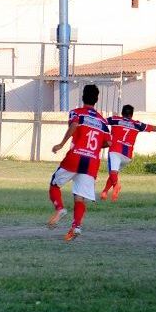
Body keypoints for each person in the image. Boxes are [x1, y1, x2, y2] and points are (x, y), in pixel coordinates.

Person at [48, 84, 111, 242]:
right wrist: (96, 146)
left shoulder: (76, 113)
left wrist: (61, 144)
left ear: (82, 97)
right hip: (91, 162)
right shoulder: (102, 121)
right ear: (96, 99)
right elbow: (109, 143)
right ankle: (76, 226)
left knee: (54, 184)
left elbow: (74, 125)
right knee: (80, 197)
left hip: (75, 157)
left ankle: (60, 209)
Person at [101, 104, 156, 201]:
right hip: (127, 155)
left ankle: (116, 186)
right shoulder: (137, 124)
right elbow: (153, 128)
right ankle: (104, 192)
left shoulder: (115, 119)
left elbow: (101, 122)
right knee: (114, 173)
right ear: (132, 115)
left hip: (115, 151)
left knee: (113, 173)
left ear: (122, 113)